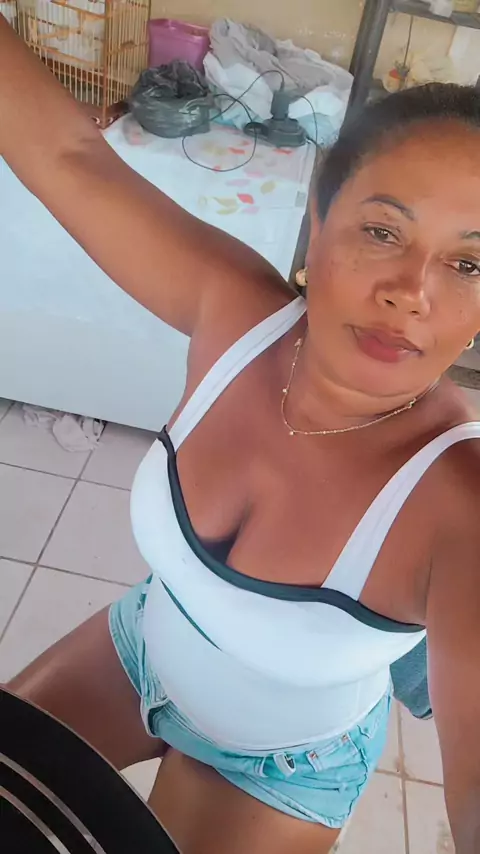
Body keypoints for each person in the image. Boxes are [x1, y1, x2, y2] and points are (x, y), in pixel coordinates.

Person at [2, 16, 480, 854]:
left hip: (283, 766)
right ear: (318, 222)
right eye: (382, 231)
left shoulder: (457, 503)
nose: (412, 291)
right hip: (139, 650)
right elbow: (69, 156)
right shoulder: (235, 312)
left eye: (470, 263)